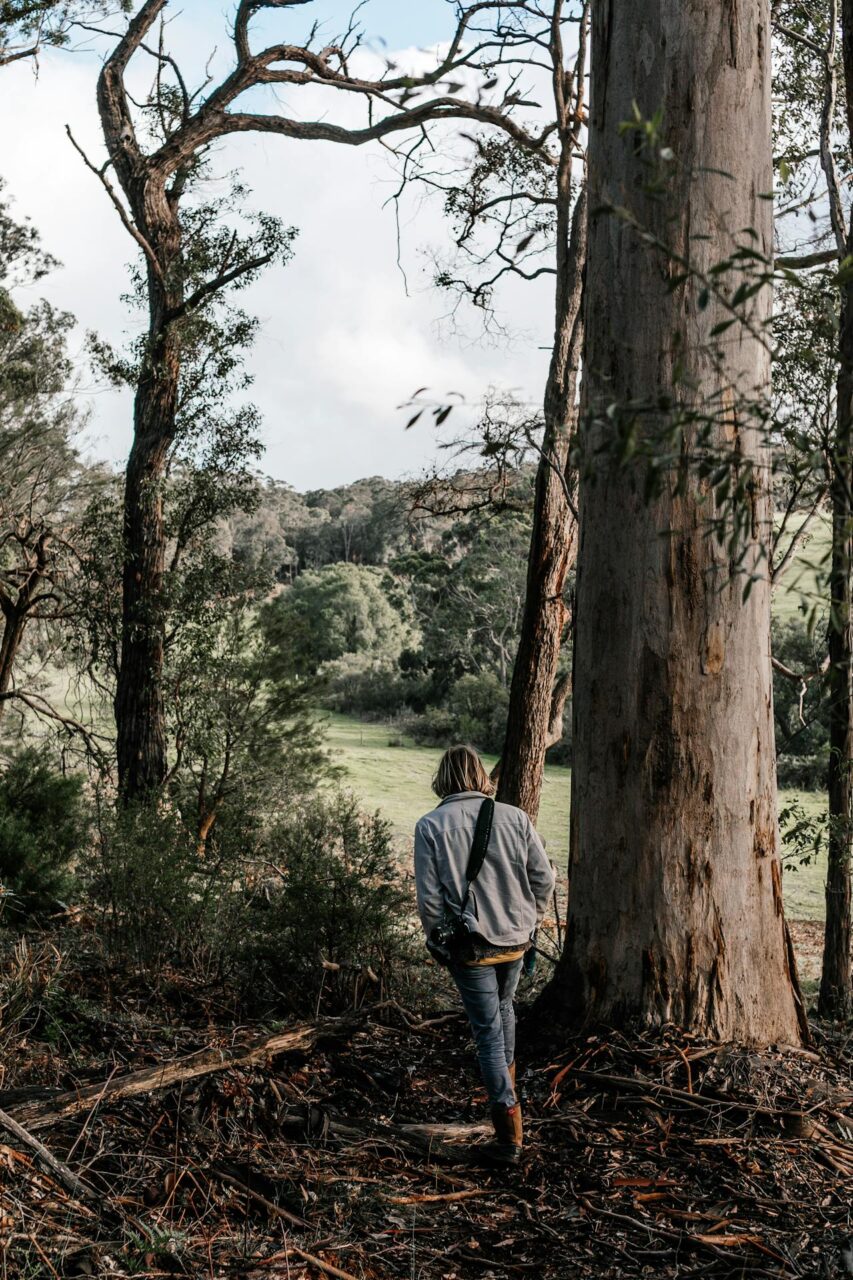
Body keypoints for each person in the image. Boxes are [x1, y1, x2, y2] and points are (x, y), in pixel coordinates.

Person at [414, 744, 556, 1165]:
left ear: (444, 778)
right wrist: (531, 922)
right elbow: (544, 878)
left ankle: (509, 1136)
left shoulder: (430, 826)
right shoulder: (515, 817)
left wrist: (440, 942)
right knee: (505, 1009)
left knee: (488, 1034)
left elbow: (429, 902)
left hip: (472, 948)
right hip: (516, 941)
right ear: (479, 775)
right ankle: (509, 1100)